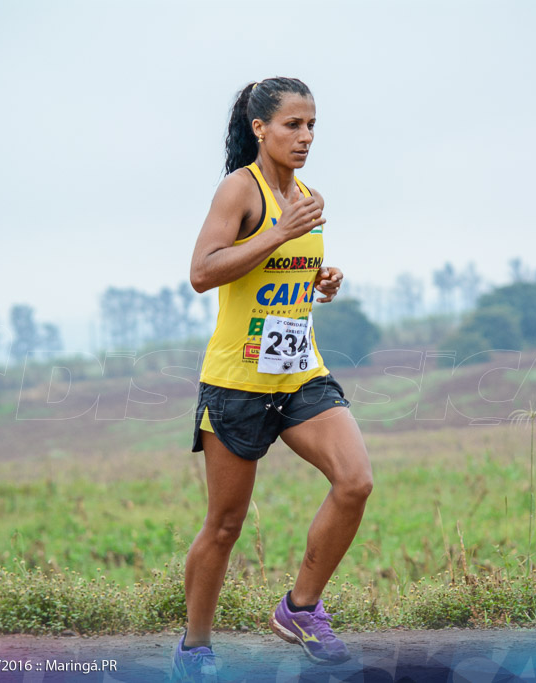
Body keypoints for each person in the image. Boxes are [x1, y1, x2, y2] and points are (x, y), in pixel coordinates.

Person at [170, 77, 373, 681]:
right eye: (293, 125)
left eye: (312, 125)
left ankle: (299, 609)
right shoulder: (240, 191)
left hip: (299, 373)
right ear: (260, 128)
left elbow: (277, 278)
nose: (305, 136)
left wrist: (320, 280)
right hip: (238, 383)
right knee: (226, 526)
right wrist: (278, 233)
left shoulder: (310, 196)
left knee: (355, 481)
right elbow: (203, 273)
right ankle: (195, 649)